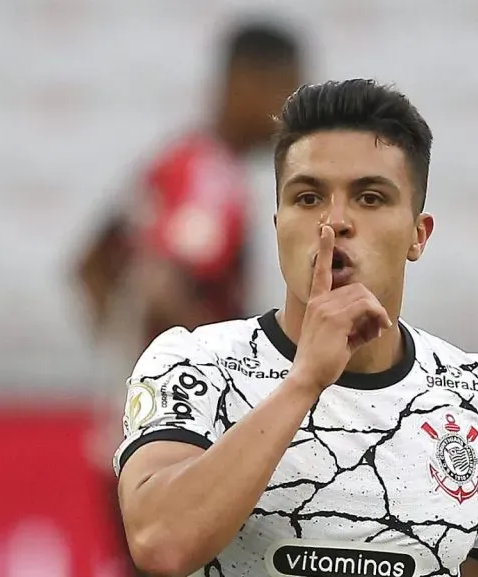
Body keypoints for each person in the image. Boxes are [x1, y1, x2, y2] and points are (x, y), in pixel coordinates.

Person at [113, 79, 478, 577]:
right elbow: (159, 543)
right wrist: (304, 381)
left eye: (370, 198)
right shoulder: (196, 364)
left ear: (418, 235)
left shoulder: (476, 394)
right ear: (278, 225)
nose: (335, 221)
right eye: (308, 198)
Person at [70, 21, 303, 576]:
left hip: (141, 428)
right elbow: (163, 283)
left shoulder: (179, 160)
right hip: (179, 437)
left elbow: (90, 264)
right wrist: (234, 384)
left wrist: (123, 379)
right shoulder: (208, 178)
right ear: (243, 83)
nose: (289, 115)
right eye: (285, 92)